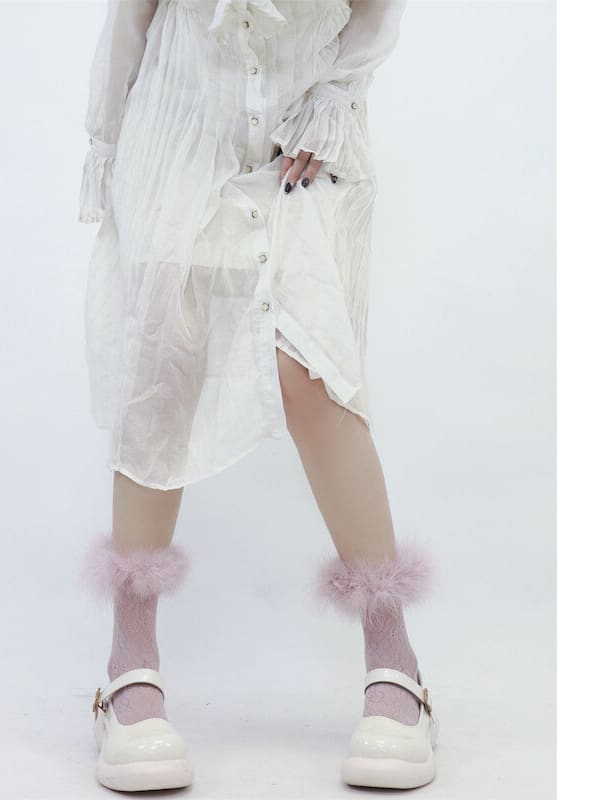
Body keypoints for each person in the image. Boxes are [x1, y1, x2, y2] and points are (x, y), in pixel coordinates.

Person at [78, 0, 437, 792]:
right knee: (162, 373)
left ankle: (394, 657)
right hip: (178, 129)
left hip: (303, 139)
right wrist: (107, 143)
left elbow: (376, 10)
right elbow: (130, 16)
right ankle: (129, 666)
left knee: (313, 377)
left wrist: (338, 93)